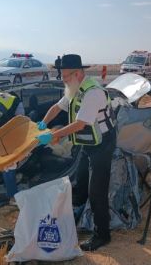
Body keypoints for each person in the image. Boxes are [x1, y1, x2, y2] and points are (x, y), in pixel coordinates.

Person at [36, 54, 116, 251]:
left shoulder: (93, 93)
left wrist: (54, 136)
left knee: (97, 190)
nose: (63, 80)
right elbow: (57, 107)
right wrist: (44, 123)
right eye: (62, 77)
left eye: (65, 77)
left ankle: (102, 234)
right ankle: (78, 212)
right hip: (88, 143)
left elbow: (80, 124)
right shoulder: (74, 89)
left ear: (78, 73)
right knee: (80, 180)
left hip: (102, 145)